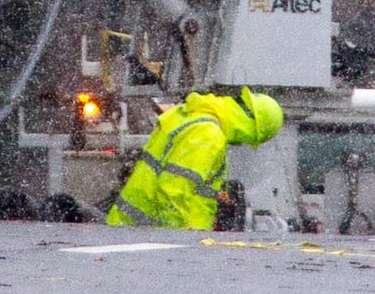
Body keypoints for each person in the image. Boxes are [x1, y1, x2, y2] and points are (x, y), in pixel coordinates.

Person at [107, 87, 284, 229]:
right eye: (251, 138)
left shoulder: (193, 114)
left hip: (133, 228)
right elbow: (173, 192)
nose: (243, 143)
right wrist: (180, 241)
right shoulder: (209, 135)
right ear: (251, 127)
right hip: (152, 233)